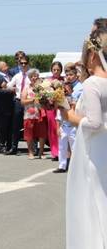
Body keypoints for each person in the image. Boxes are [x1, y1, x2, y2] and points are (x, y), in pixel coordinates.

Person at [60, 24, 107, 249]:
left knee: (93, 199)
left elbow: (95, 123)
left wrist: (69, 116)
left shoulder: (92, 84)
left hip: (95, 148)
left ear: (91, 55)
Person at [54, 63, 82, 173]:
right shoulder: (63, 89)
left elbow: (77, 104)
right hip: (64, 122)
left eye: (71, 74)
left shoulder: (79, 88)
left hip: (74, 121)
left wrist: (70, 96)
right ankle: (62, 166)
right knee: (62, 146)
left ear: (76, 75)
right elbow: (60, 107)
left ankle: (77, 167)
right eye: (67, 74)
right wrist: (58, 125)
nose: (69, 77)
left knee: (75, 146)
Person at [6, 55, 31, 155]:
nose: (23, 65)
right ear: (19, 64)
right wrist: (12, 88)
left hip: (29, 103)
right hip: (18, 101)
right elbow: (8, 86)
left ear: (28, 64)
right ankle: (14, 147)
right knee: (15, 125)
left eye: (25, 63)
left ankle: (33, 148)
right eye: (21, 63)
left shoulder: (31, 75)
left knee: (30, 125)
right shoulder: (17, 76)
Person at [21, 69, 48, 159]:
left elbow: (47, 99)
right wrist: (32, 99)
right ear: (29, 78)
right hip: (29, 115)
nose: (33, 78)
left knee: (42, 133)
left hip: (40, 113)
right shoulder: (26, 88)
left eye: (35, 76)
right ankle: (30, 152)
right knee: (29, 134)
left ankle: (41, 152)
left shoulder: (42, 88)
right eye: (31, 76)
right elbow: (22, 101)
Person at [45, 61, 64, 161]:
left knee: (61, 130)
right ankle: (54, 152)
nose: (56, 71)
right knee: (52, 130)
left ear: (61, 70)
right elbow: (42, 95)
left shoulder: (64, 81)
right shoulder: (47, 81)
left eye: (58, 70)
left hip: (61, 108)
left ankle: (62, 151)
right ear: (51, 70)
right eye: (54, 69)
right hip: (51, 108)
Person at [0, 79, 14, 154]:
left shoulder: (7, 90)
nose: (6, 83)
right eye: (4, 82)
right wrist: (11, 90)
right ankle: (1, 147)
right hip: (0, 113)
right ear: (0, 83)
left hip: (8, 112)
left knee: (8, 131)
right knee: (1, 130)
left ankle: (8, 146)